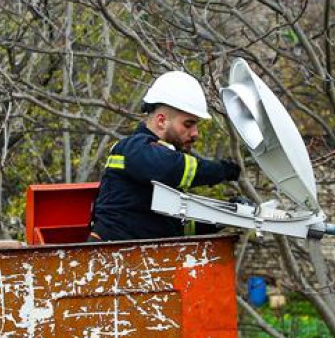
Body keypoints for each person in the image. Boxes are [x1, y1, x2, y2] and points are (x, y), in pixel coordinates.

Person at [89, 71, 241, 241]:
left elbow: (174, 227)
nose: (195, 133)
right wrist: (221, 170)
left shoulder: (157, 160)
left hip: (138, 257)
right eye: (188, 124)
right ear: (161, 121)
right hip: (110, 256)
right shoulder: (134, 148)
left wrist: (227, 213)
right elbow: (172, 168)